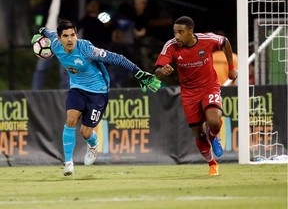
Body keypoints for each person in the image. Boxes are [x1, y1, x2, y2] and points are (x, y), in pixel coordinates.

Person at [31, 20, 161, 176]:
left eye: (73, 35)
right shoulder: (54, 44)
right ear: (59, 39)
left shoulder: (86, 49)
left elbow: (117, 58)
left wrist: (139, 73)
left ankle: (93, 144)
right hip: (77, 88)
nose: (70, 39)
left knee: (85, 133)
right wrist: (39, 31)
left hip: (98, 91)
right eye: (65, 36)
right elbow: (46, 31)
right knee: (70, 119)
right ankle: (68, 163)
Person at [154, 16, 238, 176]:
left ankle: (214, 136)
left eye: (181, 32)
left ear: (190, 32)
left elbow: (225, 42)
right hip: (188, 93)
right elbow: (157, 71)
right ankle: (212, 164)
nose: (176, 36)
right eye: (174, 32)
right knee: (199, 134)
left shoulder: (207, 40)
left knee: (213, 121)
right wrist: (161, 72)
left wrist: (231, 68)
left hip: (209, 87)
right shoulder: (170, 46)